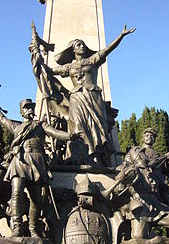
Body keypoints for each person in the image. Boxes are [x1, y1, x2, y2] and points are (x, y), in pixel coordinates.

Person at [0, 94, 80, 241]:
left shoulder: (40, 125)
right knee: (16, 194)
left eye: (31, 107)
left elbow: (54, 132)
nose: (30, 110)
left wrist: (69, 136)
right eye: (26, 108)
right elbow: (2, 120)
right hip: (20, 161)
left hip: (36, 162)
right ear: (21, 112)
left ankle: (33, 228)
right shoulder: (17, 126)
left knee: (36, 199)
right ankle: (17, 227)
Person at [51, 25, 136, 166]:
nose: (82, 47)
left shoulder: (93, 60)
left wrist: (120, 36)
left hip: (93, 98)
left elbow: (107, 50)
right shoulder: (69, 67)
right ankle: (79, 156)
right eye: (79, 45)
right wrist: (36, 57)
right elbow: (48, 71)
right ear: (73, 49)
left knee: (98, 128)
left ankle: (98, 158)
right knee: (77, 126)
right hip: (77, 99)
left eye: (83, 45)